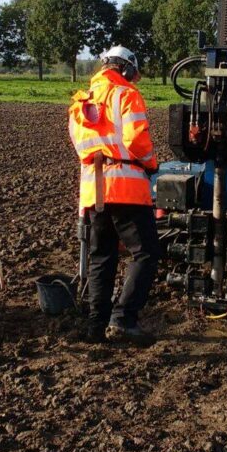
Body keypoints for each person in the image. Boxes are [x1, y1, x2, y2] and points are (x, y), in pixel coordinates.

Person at [68, 46, 160, 345]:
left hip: (94, 189)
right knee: (145, 253)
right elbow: (135, 140)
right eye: (133, 74)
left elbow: (82, 148)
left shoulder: (80, 103)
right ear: (125, 69)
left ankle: (97, 325)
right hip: (127, 187)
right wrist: (151, 163)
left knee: (102, 256)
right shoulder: (126, 95)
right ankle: (123, 319)